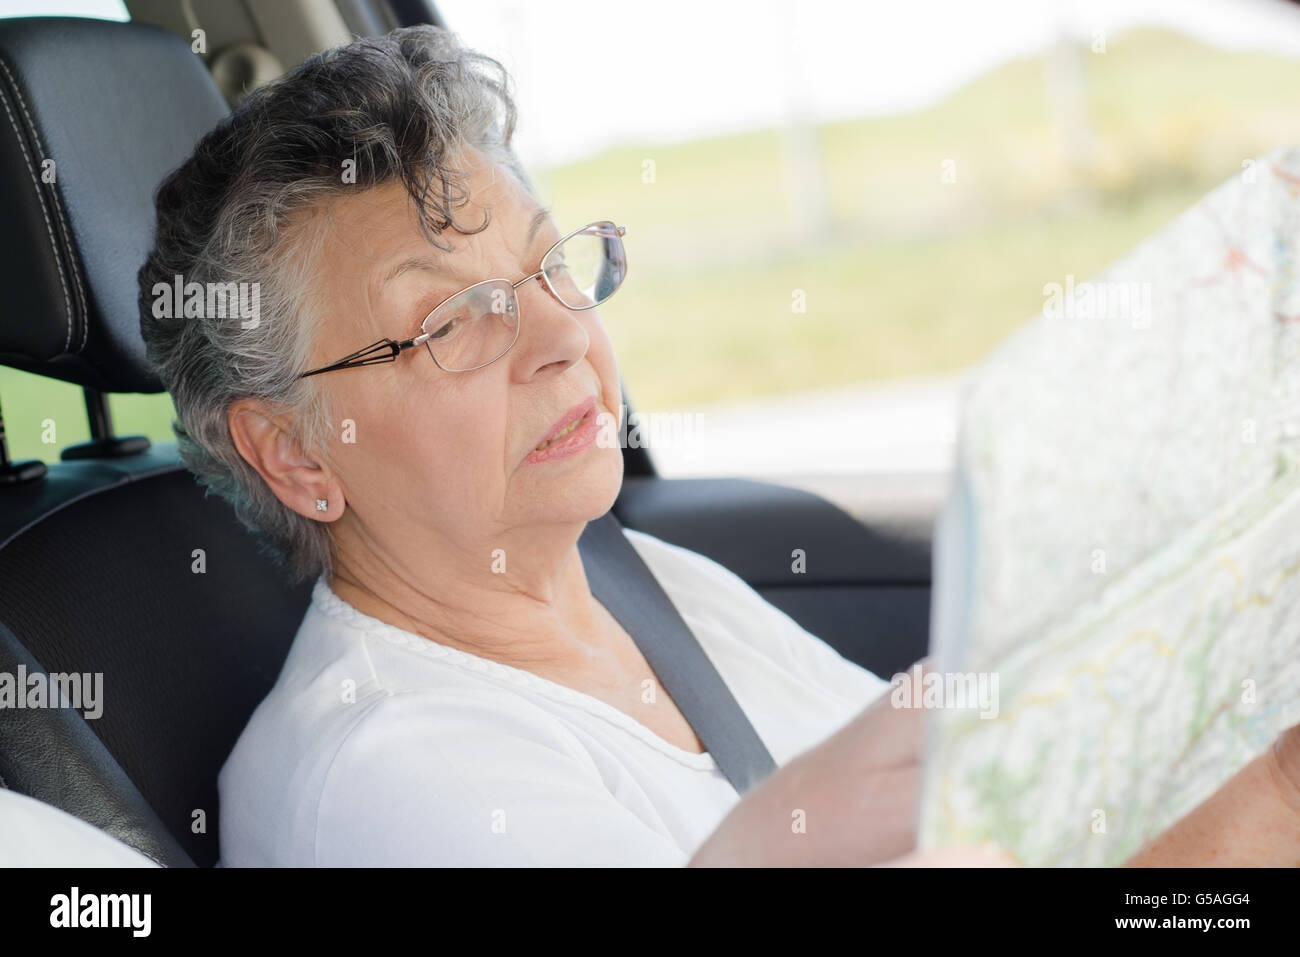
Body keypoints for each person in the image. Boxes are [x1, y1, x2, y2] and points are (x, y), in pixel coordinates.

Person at [138, 24, 1299, 867]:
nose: (558, 332)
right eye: (448, 323)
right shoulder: (386, 777)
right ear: (295, 456)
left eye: (548, 265)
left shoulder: (647, 588)